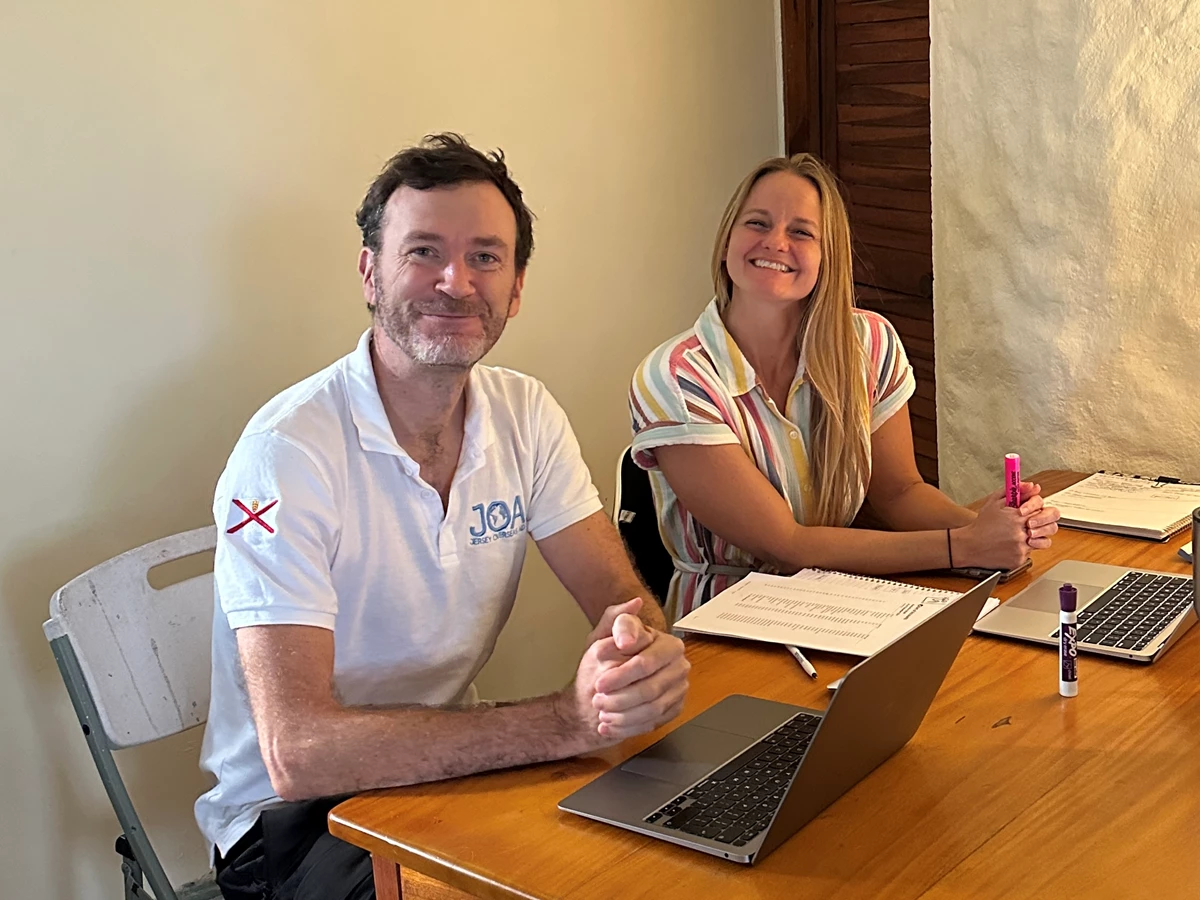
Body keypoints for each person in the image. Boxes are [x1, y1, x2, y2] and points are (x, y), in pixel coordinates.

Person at [196, 133, 689, 900]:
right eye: (423, 251)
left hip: (446, 777)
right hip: (291, 823)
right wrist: (565, 720)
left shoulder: (526, 413)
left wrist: (639, 660)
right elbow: (300, 752)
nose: (455, 282)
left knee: (647, 862)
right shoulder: (286, 453)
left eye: (485, 257)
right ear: (371, 272)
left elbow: (624, 605)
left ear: (516, 288)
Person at [628, 153, 1060, 622]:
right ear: (726, 241)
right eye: (757, 223)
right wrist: (966, 545)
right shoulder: (675, 378)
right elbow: (787, 545)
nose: (775, 242)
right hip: (725, 625)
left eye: (801, 232)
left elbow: (900, 492)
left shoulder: (870, 343)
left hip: (842, 609)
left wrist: (1001, 528)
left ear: (827, 256)